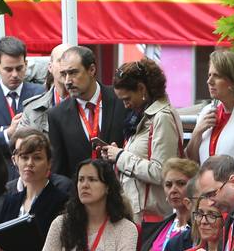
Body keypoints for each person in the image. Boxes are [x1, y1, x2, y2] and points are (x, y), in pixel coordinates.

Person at [102, 59, 179, 226]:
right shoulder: (142, 117)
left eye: (127, 98)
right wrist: (116, 156)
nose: (125, 105)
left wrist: (121, 156)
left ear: (142, 89)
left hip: (152, 218)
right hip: (138, 215)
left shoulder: (162, 117)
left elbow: (162, 172)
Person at [41, 158, 139, 251]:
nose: (84, 185)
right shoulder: (60, 224)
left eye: (92, 180)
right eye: (81, 179)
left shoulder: (126, 229)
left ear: (108, 187)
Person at [48, 46, 125, 179]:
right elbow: (59, 170)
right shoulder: (57, 115)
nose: (67, 81)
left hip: (121, 191)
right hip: (81, 194)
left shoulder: (121, 99)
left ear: (92, 70)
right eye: (64, 74)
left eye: (73, 73)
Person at [18, 43, 76, 138]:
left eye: (71, 62)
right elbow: (22, 147)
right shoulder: (33, 109)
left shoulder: (92, 104)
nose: (66, 67)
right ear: (50, 67)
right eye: (61, 61)